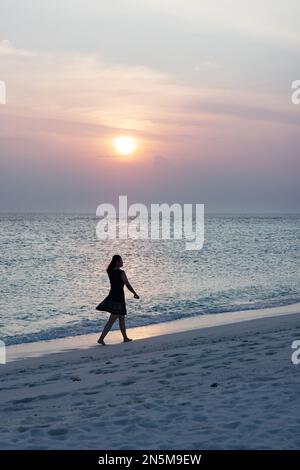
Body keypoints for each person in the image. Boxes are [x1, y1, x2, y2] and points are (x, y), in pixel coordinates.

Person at [96, 255, 139, 345]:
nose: (122, 262)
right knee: (112, 320)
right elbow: (127, 284)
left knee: (121, 318)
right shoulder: (121, 273)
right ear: (117, 262)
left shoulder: (110, 271)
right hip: (118, 297)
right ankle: (101, 339)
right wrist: (134, 293)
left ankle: (125, 337)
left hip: (112, 295)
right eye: (121, 261)